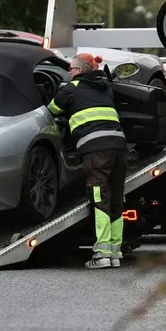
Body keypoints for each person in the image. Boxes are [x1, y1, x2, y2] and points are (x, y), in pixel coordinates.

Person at [48, 53, 131, 269]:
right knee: (115, 199)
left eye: (72, 68)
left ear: (81, 70)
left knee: (99, 198)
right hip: (119, 149)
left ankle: (102, 254)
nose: (69, 71)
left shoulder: (70, 88)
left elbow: (51, 111)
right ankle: (115, 253)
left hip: (96, 152)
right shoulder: (106, 88)